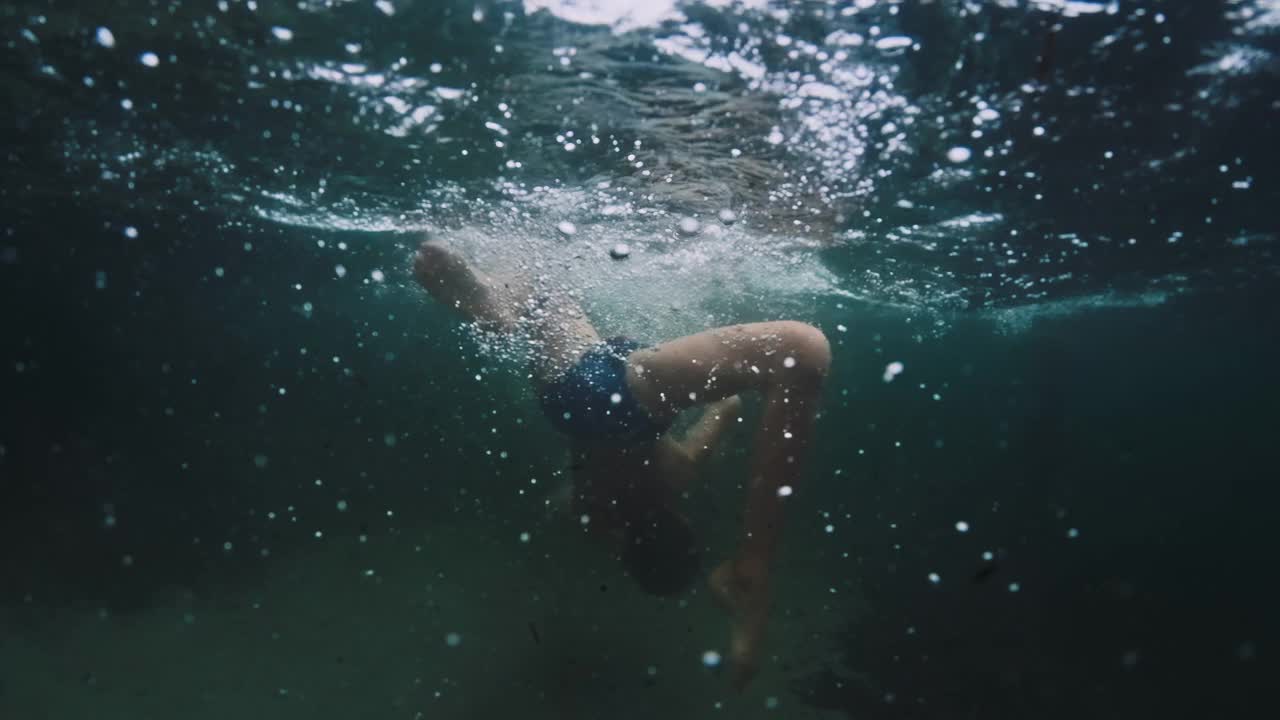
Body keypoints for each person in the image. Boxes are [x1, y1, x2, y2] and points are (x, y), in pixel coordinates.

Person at [412, 236, 831, 690]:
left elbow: (725, 409)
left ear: (683, 523)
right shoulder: (596, 513)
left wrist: (723, 398)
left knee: (799, 349)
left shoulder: (682, 473)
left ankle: (752, 568)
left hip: (616, 400)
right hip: (577, 399)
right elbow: (565, 506)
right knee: (547, 300)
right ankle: (496, 302)